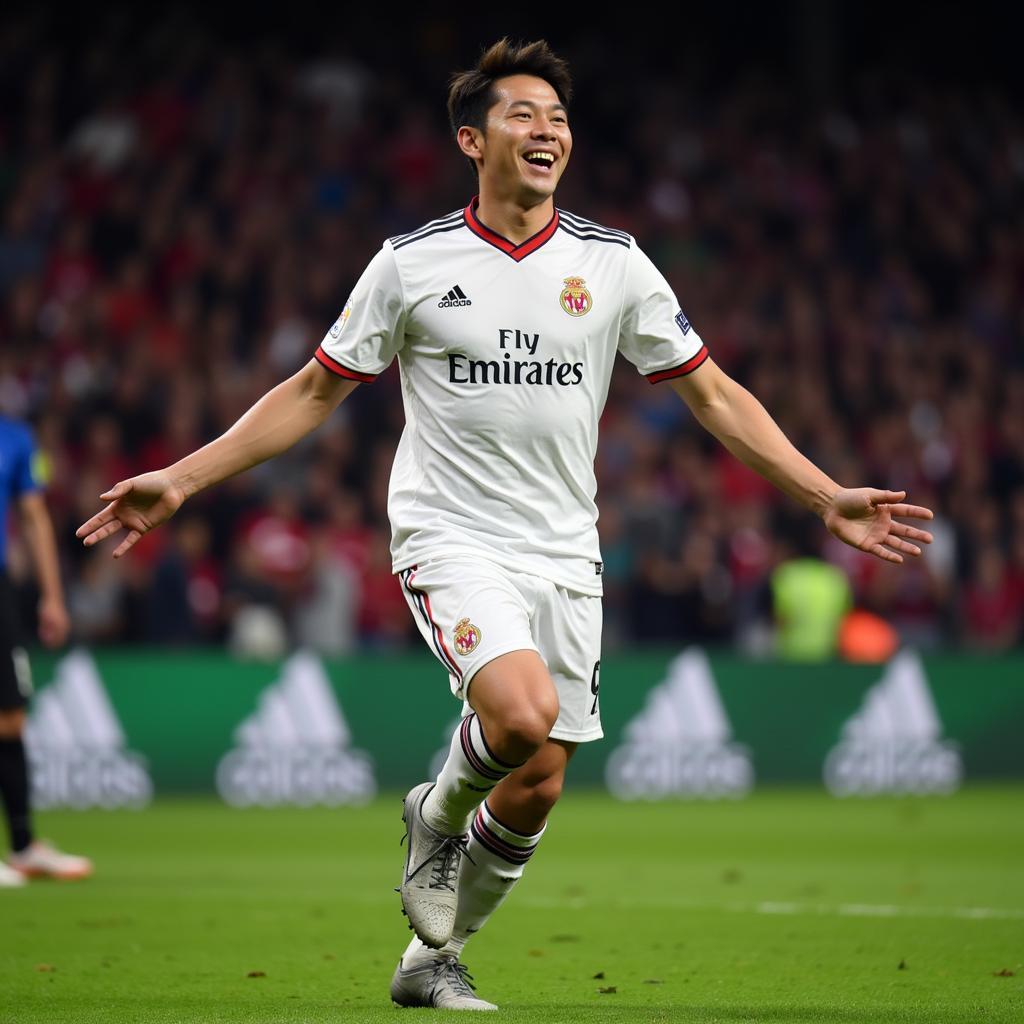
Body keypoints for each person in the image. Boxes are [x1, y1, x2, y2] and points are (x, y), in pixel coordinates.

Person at [77, 39, 934, 1010]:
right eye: (524, 114)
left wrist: (824, 495)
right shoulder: (411, 264)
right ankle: (433, 816)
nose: (547, 130)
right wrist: (183, 480)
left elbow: (716, 396)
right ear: (470, 138)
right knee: (517, 718)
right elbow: (317, 388)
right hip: (451, 532)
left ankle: (429, 960)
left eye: (558, 118)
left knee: (537, 781)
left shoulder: (612, 265)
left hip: (565, 549)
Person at [0, 415, 92, 886]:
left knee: (11, 717)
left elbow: (33, 516)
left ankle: (22, 847)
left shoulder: (16, 438)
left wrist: (52, 596)